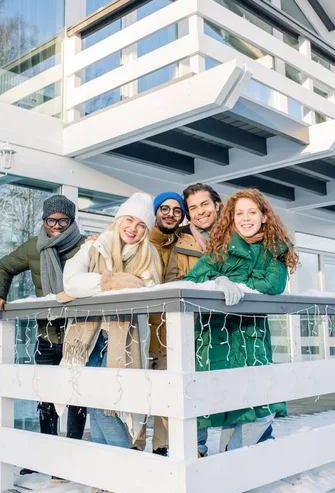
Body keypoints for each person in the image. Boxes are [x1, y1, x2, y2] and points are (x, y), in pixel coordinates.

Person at [184, 189, 298, 454]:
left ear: (264, 216)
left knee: (260, 406)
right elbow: (191, 280)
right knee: (217, 400)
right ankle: (217, 462)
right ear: (231, 218)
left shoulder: (274, 250)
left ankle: (231, 459)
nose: (246, 218)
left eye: (252, 212)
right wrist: (217, 282)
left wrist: (235, 282)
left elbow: (273, 283)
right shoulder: (221, 249)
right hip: (217, 336)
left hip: (251, 335)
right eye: (239, 213)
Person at [0, 194, 87, 475]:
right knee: (46, 398)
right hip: (47, 335)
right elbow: (4, 267)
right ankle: (46, 458)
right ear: (44, 221)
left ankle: (73, 459)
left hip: (79, 337)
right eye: (50, 220)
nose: (56, 225)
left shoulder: (86, 246)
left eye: (62, 220)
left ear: (71, 221)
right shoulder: (34, 247)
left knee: (77, 398)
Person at [58, 192, 162, 453]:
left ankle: (121, 467)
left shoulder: (149, 257)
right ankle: (107, 469)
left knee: (109, 405)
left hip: (123, 339)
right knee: (92, 401)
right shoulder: (95, 246)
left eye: (141, 225)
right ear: (118, 220)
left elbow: (143, 291)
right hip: (88, 336)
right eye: (129, 220)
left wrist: (91, 286)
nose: (134, 229)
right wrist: (111, 282)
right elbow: (70, 281)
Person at [134, 191, 186, 456]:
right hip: (142, 333)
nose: (170, 214)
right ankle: (135, 444)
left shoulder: (184, 244)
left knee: (166, 395)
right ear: (155, 212)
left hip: (171, 336)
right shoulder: (141, 241)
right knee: (139, 394)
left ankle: (162, 447)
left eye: (177, 211)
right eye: (164, 208)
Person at [166, 183, 222, 282]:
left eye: (205, 204)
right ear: (188, 213)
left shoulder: (238, 237)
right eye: (193, 208)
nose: (200, 212)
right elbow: (173, 288)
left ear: (216, 205)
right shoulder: (178, 246)